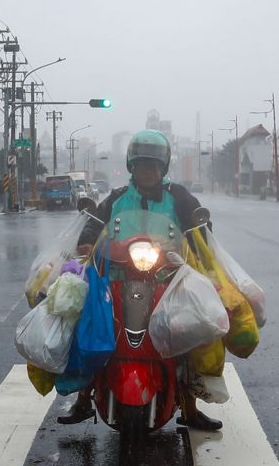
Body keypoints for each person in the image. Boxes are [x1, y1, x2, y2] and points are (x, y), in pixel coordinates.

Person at [56, 129, 223, 431]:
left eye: (154, 166)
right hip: (118, 278)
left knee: (189, 334)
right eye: (142, 165)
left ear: (163, 169)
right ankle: (83, 398)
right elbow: (95, 224)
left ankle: (190, 406)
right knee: (93, 327)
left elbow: (197, 225)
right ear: (132, 168)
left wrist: (200, 237)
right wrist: (85, 242)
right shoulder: (117, 199)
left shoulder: (179, 197)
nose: (148, 171)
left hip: (168, 280)